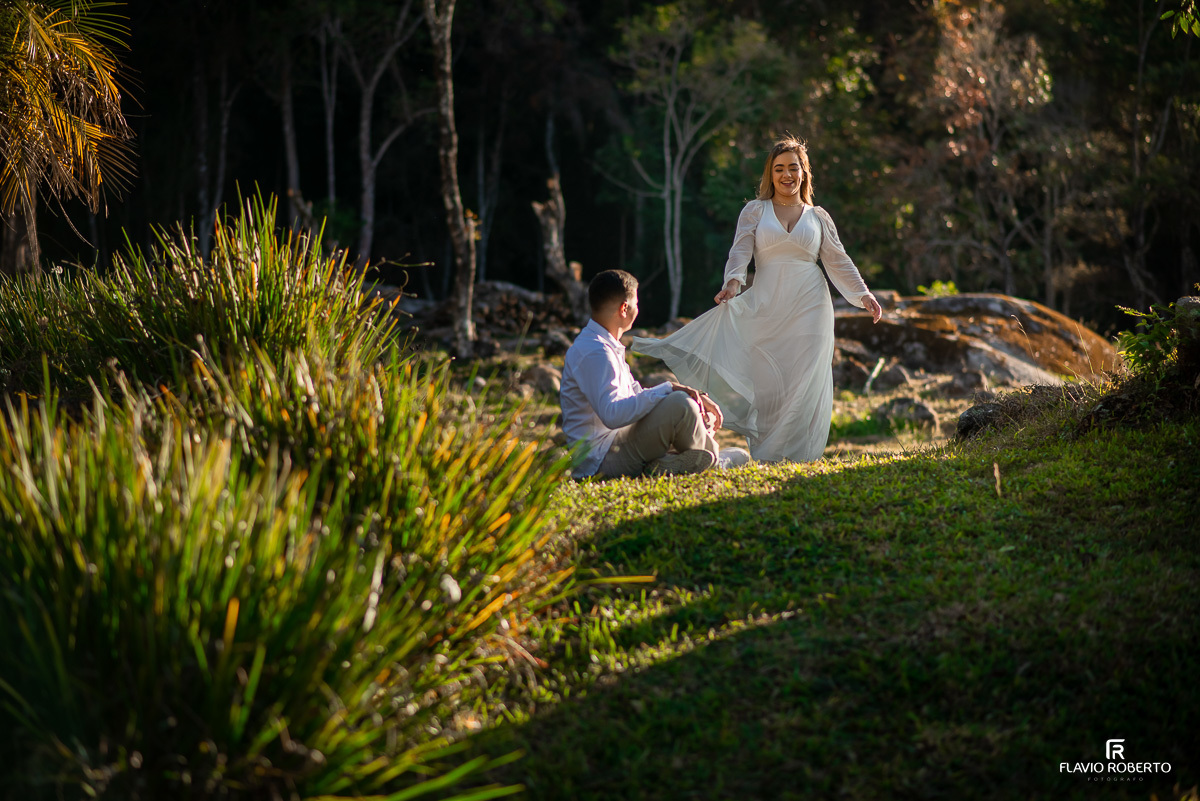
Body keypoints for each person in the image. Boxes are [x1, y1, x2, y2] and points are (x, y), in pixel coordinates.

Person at [631, 137, 883, 463]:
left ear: (804, 173)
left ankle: (801, 456)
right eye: (779, 169)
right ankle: (768, 455)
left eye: (794, 167)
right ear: (770, 174)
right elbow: (741, 250)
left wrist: (863, 294)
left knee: (804, 380)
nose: (787, 175)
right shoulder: (755, 211)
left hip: (811, 306)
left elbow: (837, 259)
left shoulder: (818, 216)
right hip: (766, 305)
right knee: (769, 384)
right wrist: (733, 283)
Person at [559, 269, 751, 479]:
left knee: (684, 402)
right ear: (624, 308)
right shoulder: (595, 351)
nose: (637, 309)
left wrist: (689, 399)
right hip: (602, 460)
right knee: (680, 405)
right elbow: (612, 414)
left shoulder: (604, 345)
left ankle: (667, 462)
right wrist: (670, 388)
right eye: (636, 304)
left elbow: (636, 396)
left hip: (617, 445)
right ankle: (713, 463)